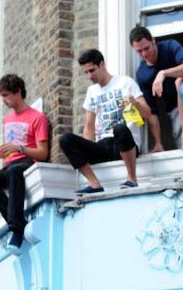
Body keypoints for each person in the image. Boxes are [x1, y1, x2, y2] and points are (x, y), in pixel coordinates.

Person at [60, 49, 152, 194]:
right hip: (103, 146)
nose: (89, 76)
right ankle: (94, 183)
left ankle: (132, 179)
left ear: (102, 64)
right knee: (66, 139)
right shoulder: (92, 91)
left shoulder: (125, 82)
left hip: (125, 143)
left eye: (92, 70)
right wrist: (88, 148)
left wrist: (136, 104)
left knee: (119, 128)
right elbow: (89, 126)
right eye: (86, 73)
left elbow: (147, 113)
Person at [0, 74, 49, 255]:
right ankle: (16, 219)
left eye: (6, 95)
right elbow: (8, 151)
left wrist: (20, 148)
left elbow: (43, 153)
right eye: (1, 96)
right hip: (9, 166)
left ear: (18, 92)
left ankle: (16, 230)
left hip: (26, 163)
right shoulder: (7, 120)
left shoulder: (37, 117)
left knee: (15, 170)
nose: (4, 100)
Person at [130, 25, 183, 151]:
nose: (144, 54)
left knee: (181, 82)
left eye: (146, 48)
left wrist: (163, 73)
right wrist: (158, 143)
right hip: (175, 109)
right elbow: (151, 112)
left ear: (153, 40)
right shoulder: (142, 74)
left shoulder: (169, 46)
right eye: (139, 51)